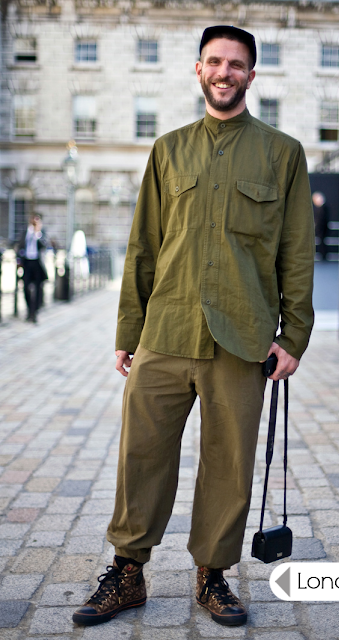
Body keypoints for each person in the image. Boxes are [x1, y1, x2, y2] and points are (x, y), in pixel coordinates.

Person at [73, 25, 315, 628]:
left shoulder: (283, 154)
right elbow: (143, 246)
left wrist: (293, 337)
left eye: (236, 63)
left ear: (251, 75)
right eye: (214, 61)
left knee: (229, 463)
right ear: (199, 69)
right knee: (141, 454)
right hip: (166, 329)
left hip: (242, 336)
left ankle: (213, 574)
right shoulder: (168, 150)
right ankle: (127, 572)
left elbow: (296, 252)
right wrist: (128, 329)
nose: (224, 72)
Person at [17, 213, 48, 322]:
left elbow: (44, 245)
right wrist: (19, 262)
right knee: (26, 287)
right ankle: (29, 309)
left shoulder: (41, 233)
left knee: (38, 288)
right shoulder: (25, 231)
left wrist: (37, 233)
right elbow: (19, 247)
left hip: (37, 263)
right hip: (27, 263)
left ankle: (34, 312)